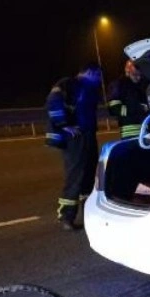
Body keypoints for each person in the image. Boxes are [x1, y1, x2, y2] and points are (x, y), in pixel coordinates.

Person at [44, 62, 102, 231]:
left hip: (88, 135)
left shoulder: (89, 88)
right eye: (98, 75)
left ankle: (88, 215)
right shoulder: (70, 83)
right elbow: (53, 101)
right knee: (75, 176)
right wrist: (63, 124)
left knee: (89, 177)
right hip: (75, 138)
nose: (100, 79)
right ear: (89, 72)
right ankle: (66, 217)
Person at [107, 60, 150, 139]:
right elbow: (114, 108)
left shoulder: (143, 85)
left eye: (140, 75)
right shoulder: (120, 85)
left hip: (146, 129)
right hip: (129, 131)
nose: (138, 77)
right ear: (127, 72)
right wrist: (137, 109)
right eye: (135, 74)